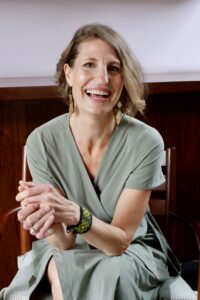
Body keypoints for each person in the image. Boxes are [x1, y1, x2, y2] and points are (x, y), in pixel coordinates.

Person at [0, 23, 196, 300]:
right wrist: (47, 224)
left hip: (131, 249)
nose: (102, 79)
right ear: (69, 73)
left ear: (123, 79)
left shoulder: (146, 141)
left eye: (113, 68)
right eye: (89, 65)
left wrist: (72, 214)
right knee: (60, 263)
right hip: (68, 249)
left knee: (107, 270)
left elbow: (119, 242)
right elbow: (64, 244)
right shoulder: (41, 141)